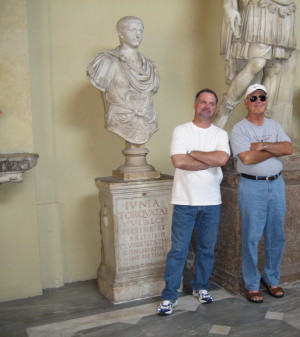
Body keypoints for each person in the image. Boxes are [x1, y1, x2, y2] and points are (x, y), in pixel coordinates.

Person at [157, 89, 230, 316]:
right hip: (184, 201)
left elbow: (222, 159)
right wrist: (209, 159)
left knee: (206, 250)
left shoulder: (220, 134)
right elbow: (179, 161)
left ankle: (201, 287)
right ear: (195, 104)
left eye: (211, 103)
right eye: (203, 102)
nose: (207, 106)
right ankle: (170, 296)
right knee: (178, 251)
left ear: (215, 108)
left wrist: (194, 153)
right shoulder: (181, 131)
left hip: (211, 202)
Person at [230, 84, 292, 303]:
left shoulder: (274, 125)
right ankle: (252, 284)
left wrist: (261, 146)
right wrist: (272, 149)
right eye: (253, 98)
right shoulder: (239, 129)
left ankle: (272, 279)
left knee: (277, 235)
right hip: (252, 187)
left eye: (262, 98)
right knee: (251, 237)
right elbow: (246, 158)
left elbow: (288, 149)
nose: (258, 101)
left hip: (276, 185)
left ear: (266, 101)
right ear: (246, 102)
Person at [213, 0, 299, 136]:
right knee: (256, 64)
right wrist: (228, 5)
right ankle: (222, 115)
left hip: (285, 11)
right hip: (261, 8)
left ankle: (263, 125)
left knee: (275, 68)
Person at [87, 16, 159, 145]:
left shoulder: (150, 66)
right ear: (121, 33)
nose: (138, 35)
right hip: (120, 120)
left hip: (147, 120)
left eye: (140, 31)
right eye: (133, 30)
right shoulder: (106, 61)